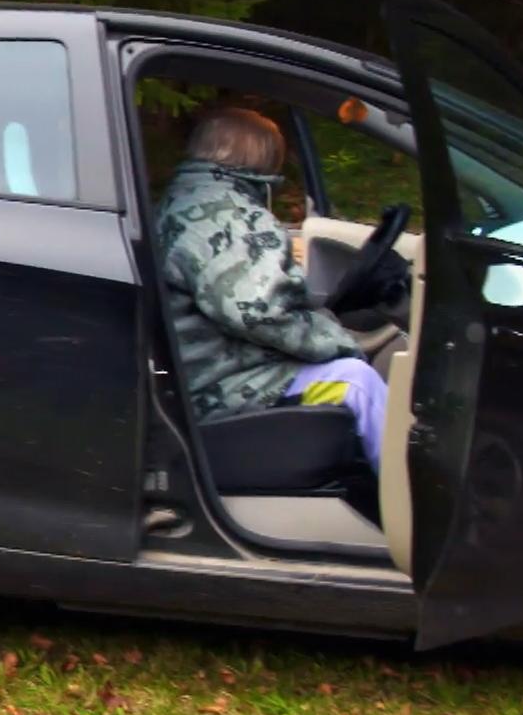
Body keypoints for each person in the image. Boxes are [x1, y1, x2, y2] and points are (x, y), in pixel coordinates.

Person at [156, 108, 387, 472]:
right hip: (217, 390)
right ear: (263, 164)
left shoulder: (176, 201)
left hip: (190, 377)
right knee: (357, 381)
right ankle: (413, 506)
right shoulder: (233, 214)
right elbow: (261, 311)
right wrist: (340, 344)